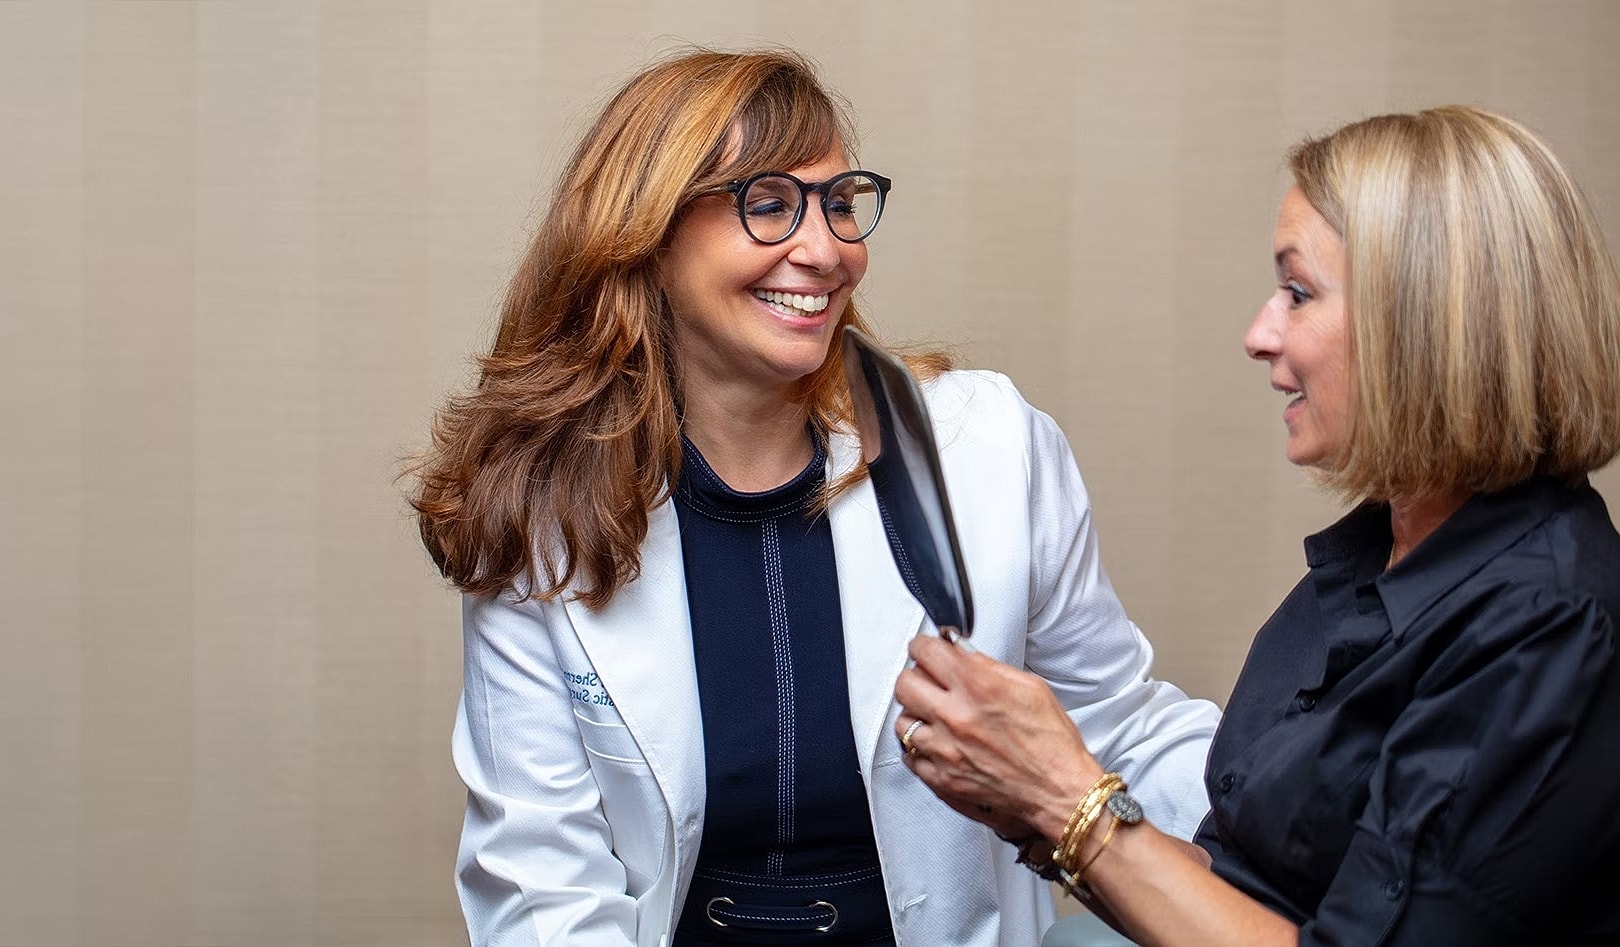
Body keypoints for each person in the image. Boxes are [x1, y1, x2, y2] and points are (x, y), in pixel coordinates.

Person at [409, 48, 1219, 946]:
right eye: (768, 205)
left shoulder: (988, 447)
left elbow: (1118, 731)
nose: (827, 250)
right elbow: (543, 884)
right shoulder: (546, 509)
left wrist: (1312, 812)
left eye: (838, 203)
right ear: (646, 236)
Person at [894, 104, 1620, 945]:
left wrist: (1069, 797)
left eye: (1298, 293)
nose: (1259, 334)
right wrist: (1028, 807)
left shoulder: (1546, 628)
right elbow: (1247, 890)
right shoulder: (1382, 557)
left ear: (1429, 326)